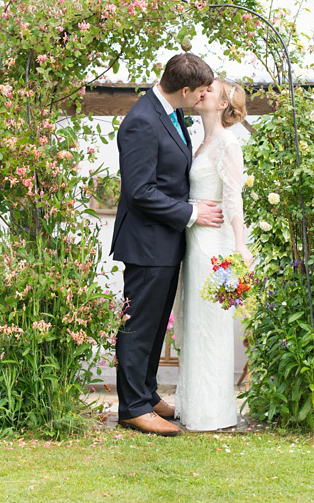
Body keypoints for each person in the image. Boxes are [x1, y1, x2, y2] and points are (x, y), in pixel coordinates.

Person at [111, 53, 224, 437]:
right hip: (145, 243)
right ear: (185, 89)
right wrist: (191, 212)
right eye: (203, 91)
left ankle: (146, 392)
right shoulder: (141, 122)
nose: (206, 96)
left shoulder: (172, 112)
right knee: (139, 327)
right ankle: (132, 407)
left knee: (156, 325)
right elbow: (140, 192)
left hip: (165, 242)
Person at [176, 78, 250, 431]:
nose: (202, 91)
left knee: (210, 323)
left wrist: (239, 246)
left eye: (211, 90)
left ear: (222, 104)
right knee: (194, 322)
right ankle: (193, 407)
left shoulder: (228, 144)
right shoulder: (200, 141)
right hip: (194, 238)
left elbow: (234, 198)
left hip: (213, 243)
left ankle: (212, 413)